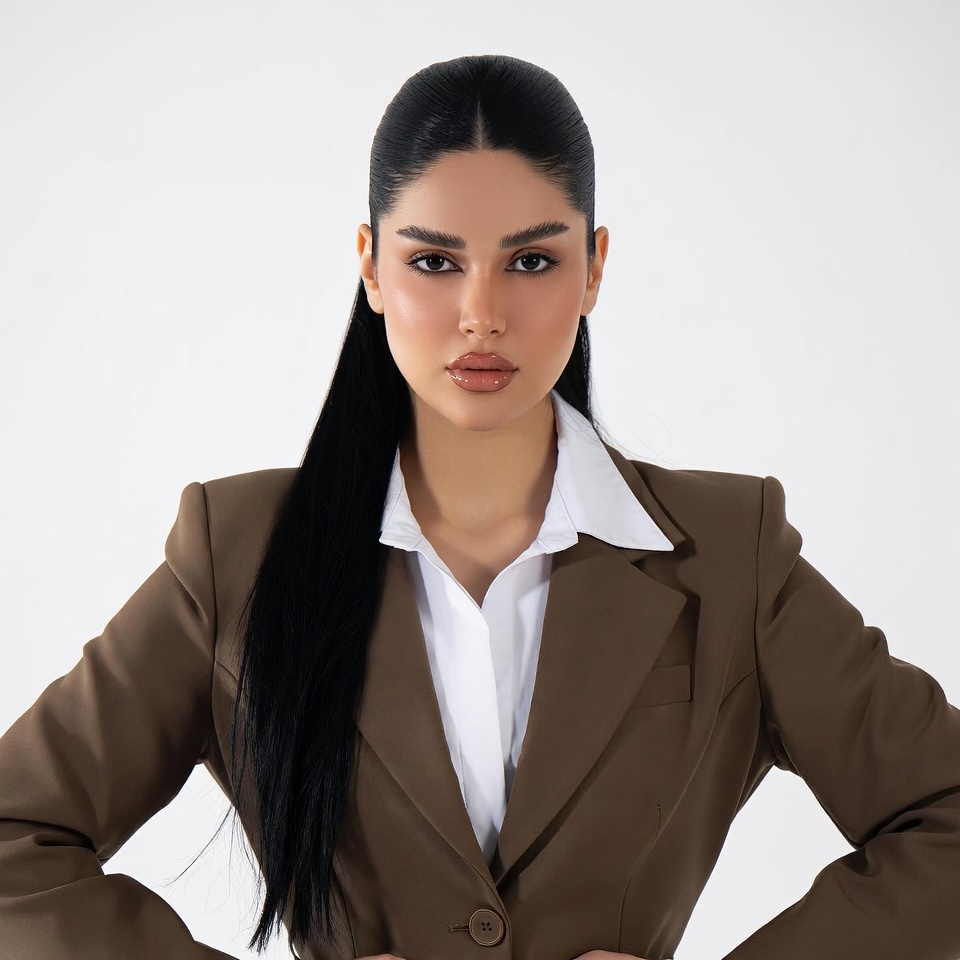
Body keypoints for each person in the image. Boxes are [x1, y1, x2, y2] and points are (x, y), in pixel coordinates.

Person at [0, 53, 958, 960]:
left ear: (594, 266)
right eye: (435, 262)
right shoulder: (237, 553)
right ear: (370, 266)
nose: (482, 313)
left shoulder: (727, 553)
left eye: (532, 262)